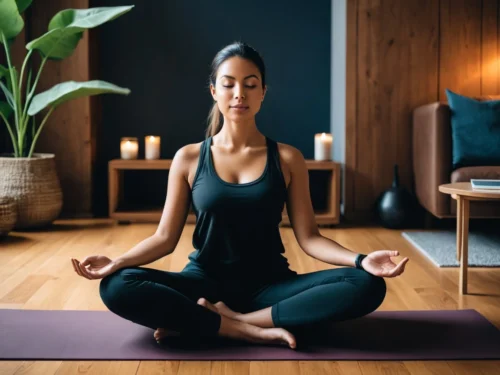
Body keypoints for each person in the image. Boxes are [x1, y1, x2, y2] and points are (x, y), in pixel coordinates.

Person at [71, 42, 409, 350]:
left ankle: (227, 323)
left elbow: (310, 238)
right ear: (214, 91)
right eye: (229, 84)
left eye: (250, 85)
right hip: (202, 284)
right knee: (116, 285)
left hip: (271, 286)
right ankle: (250, 330)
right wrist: (119, 262)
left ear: (263, 92)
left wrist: (361, 260)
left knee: (367, 284)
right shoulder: (188, 158)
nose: (239, 94)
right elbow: (164, 238)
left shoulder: (288, 159)